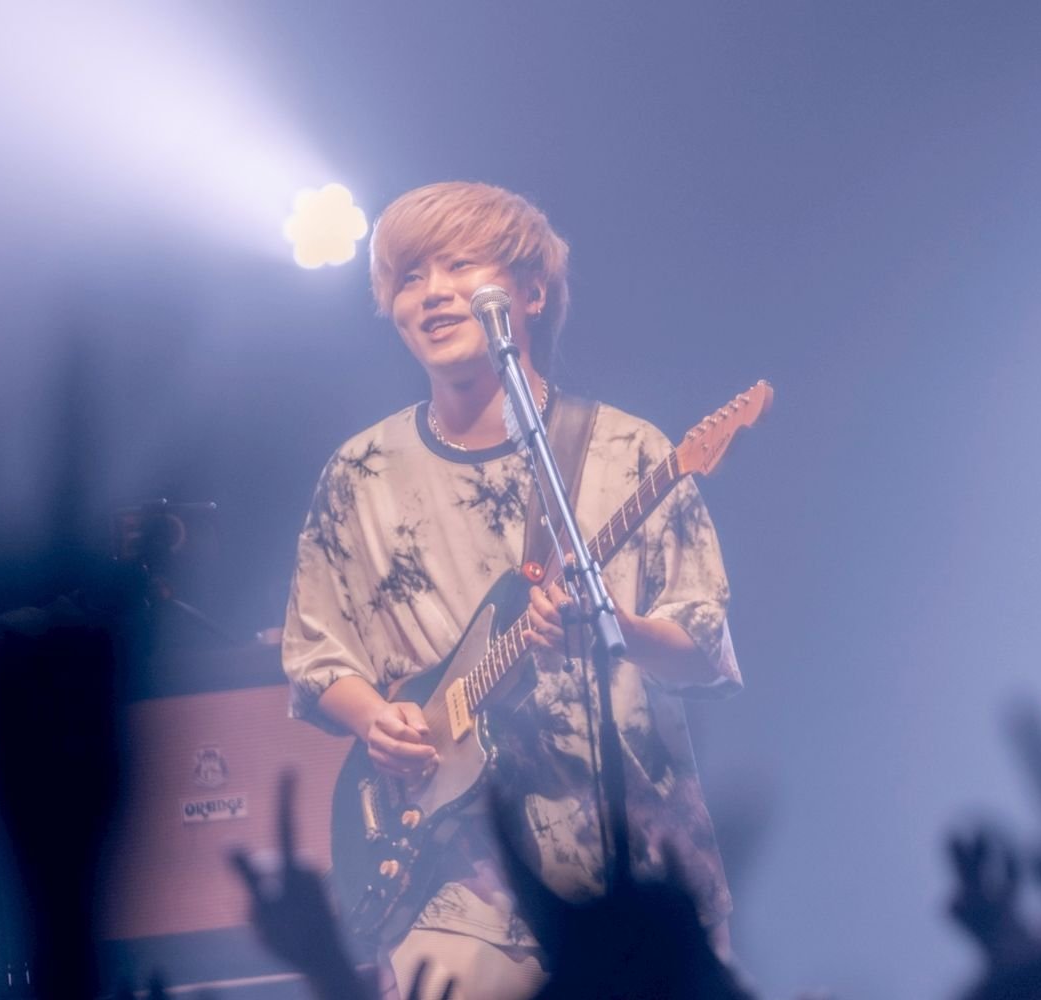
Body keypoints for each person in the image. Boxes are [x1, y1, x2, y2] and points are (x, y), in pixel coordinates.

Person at [282, 180, 741, 1000]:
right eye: (410, 277)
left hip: (639, 868)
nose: (432, 293)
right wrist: (376, 719)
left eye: (459, 266)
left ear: (531, 293)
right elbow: (317, 655)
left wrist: (617, 626)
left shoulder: (632, 453)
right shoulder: (359, 474)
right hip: (455, 878)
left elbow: (703, 649)